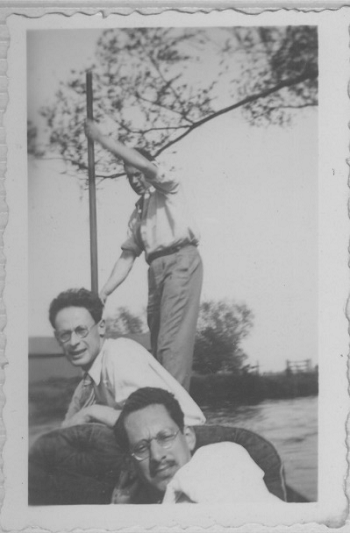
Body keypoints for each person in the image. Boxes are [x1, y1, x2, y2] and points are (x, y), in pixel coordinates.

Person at [85, 120, 203, 391]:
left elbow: (148, 166)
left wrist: (103, 139)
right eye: (129, 176)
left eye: (138, 173)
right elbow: (127, 257)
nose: (135, 180)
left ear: (148, 171)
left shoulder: (168, 186)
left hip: (181, 262)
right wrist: (105, 291)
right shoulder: (138, 212)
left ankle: (177, 412)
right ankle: (168, 405)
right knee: (159, 343)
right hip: (156, 269)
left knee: (171, 345)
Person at [49, 288, 205, 428]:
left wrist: (91, 412)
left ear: (101, 326)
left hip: (188, 438)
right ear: (57, 338)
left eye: (81, 330)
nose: (74, 342)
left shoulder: (118, 355)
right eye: (65, 335)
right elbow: (67, 426)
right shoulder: (86, 386)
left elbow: (148, 419)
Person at [112, 387, 289, 505]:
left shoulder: (222, 461)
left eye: (165, 437)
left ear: (188, 437)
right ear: (131, 462)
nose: (157, 456)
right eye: (142, 448)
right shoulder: (130, 505)